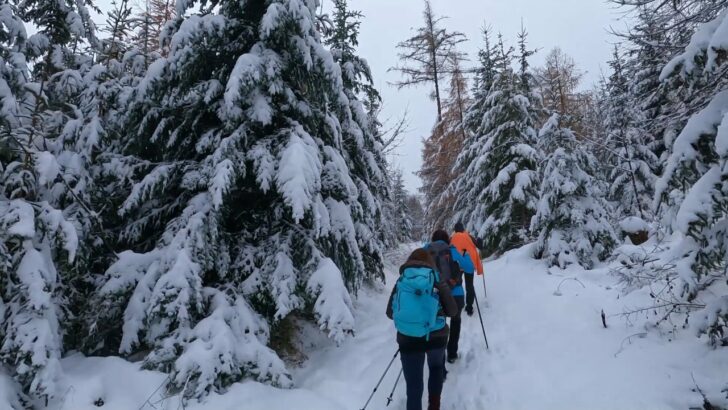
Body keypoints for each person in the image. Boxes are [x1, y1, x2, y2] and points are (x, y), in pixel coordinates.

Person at [387, 248, 457, 410]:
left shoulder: (402, 280)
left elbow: (390, 313)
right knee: (436, 368)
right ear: (430, 262)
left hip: (408, 339)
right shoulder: (436, 278)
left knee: (413, 385)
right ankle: (434, 406)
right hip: (436, 337)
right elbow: (453, 311)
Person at [424, 230, 474, 364]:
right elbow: (469, 268)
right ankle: (452, 353)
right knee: (456, 321)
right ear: (447, 239)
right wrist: (466, 255)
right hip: (456, 294)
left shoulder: (426, 250)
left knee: (438, 325)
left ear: (433, 239)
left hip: (436, 294)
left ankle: (437, 355)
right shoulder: (452, 250)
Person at [450, 222, 485, 316]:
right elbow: (479, 246)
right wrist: (480, 242)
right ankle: (469, 307)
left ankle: (457, 304)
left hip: (457, 264)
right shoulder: (468, 236)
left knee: (457, 284)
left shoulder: (452, 238)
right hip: (469, 264)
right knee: (469, 285)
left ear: (455, 230)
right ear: (463, 229)